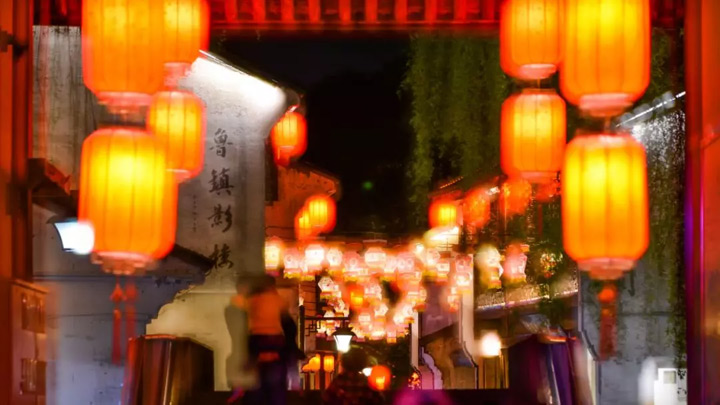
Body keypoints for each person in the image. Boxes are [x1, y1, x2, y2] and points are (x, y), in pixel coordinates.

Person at [242, 275, 289, 405]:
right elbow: (285, 311)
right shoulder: (278, 299)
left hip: (257, 336)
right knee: (274, 374)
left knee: (257, 372)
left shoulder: (253, 299)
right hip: (275, 337)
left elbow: (244, 308)